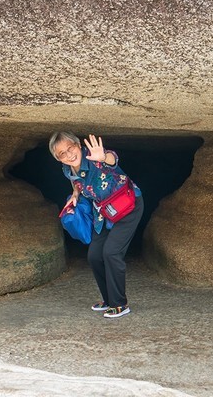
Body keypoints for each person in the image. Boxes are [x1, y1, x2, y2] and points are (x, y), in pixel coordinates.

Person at [50, 131, 143, 318]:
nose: (69, 155)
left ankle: (120, 304)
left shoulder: (94, 156)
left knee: (111, 252)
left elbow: (112, 160)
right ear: (58, 158)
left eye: (71, 148)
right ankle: (109, 299)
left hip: (127, 205)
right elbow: (77, 182)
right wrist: (75, 195)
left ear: (78, 145)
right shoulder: (67, 169)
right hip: (104, 213)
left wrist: (104, 157)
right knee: (94, 256)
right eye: (62, 153)